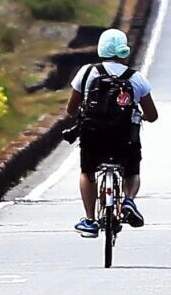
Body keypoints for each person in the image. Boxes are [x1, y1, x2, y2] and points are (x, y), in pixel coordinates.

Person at [67, 28, 157, 238]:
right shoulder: (136, 78)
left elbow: (71, 109)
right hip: (125, 138)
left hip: (93, 136)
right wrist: (142, 116)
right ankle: (128, 201)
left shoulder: (87, 72)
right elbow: (152, 115)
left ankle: (90, 220)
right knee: (132, 171)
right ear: (124, 50)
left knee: (87, 172)